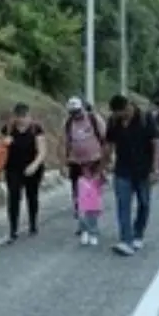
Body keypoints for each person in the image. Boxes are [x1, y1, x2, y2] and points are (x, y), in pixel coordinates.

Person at [104, 94, 159, 256]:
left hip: (143, 170)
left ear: (128, 107)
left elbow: (156, 144)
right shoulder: (114, 121)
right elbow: (108, 144)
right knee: (123, 205)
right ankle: (126, 240)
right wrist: (104, 164)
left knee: (144, 203)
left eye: (120, 113)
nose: (118, 116)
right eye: (115, 114)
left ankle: (138, 234)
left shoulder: (146, 119)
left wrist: (156, 169)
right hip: (122, 170)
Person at [1, 102, 47, 241]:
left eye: (24, 116)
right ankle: (13, 229)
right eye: (19, 117)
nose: (22, 120)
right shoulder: (8, 129)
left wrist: (34, 165)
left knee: (32, 196)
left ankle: (33, 223)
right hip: (13, 168)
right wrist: (4, 142)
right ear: (15, 117)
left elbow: (42, 151)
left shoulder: (36, 129)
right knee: (13, 197)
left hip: (32, 168)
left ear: (29, 116)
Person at [62, 96, 107, 236]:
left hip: (94, 162)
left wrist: (106, 161)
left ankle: (92, 225)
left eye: (77, 111)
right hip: (76, 163)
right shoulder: (68, 123)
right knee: (77, 195)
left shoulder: (94, 119)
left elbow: (105, 139)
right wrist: (63, 162)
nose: (76, 115)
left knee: (91, 195)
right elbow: (64, 142)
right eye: (73, 112)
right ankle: (82, 224)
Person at [75, 160, 104, 246]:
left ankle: (93, 234)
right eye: (84, 171)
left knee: (93, 220)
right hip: (83, 205)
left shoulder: (96, 181)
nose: (85, 172)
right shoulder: (80, 180)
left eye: (87, 171)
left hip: (93, 205)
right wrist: (76, 202)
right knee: (82, 220)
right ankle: (85, 232)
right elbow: (78, 192)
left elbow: (100, 189)